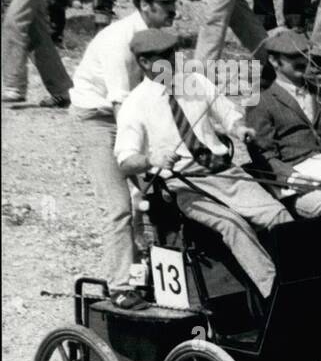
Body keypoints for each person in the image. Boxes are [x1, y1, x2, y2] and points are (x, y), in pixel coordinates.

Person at [114, 28, 291, 302]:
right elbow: (125, 160)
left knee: (277, 215)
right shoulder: (135, 105)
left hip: (225, 172)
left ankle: (301, 278)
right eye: (164, 56)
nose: (172, 60)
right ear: (144, 62)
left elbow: (228, 114)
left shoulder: (195, 82)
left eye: (173, 53)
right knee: (232, 224)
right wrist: (151, 159)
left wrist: (239, 128)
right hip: (184, 185)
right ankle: (278, 295)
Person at [67, 0, 183, 308]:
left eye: (175, 4)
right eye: (166, 6)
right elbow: (121, 107)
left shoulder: (159, 40)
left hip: (131, 116)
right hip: (98, 119)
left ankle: (160, 274)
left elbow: (168, 93)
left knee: (164, 192)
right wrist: (139, 163)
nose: (174, 11)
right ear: (144, 5)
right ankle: (119, 287)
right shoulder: (118, 42)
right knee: (119, 206)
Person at [246, 29, 321, 217]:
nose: (302, 61)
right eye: (292, 57)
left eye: (304, 55)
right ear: (274, 61)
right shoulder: (261, 101)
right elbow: (263, 155)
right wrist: (292, 177)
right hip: (295, 189)